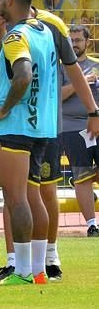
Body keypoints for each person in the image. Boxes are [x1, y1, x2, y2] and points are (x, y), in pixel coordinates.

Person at [0, 0, 99, 286]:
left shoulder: (17, 35)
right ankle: (39, 268)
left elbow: (23, 74)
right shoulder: (42, 30)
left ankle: (22, 271)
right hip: (42, 126)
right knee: (35, 196)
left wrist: (1, 109)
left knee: (16, 199)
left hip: (16, 125)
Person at [62, 25, 99, 237]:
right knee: (82, 175)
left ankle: (84, 180)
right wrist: (81, 83)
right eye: (71, 40)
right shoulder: (60, 68)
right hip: (72, 128)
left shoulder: (96, 65)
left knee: (85, 176)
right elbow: (57, 96)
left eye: (78, 40)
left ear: (87, 42)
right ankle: (92, 225)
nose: (74, 44)